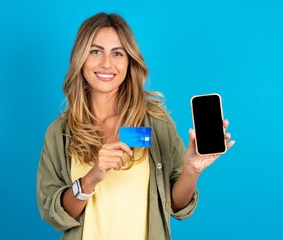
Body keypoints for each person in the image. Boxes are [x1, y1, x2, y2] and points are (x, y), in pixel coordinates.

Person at [36, 12, 235, 240]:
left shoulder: (155, 123)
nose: (106, 63)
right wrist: (92, 176)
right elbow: (53, 214)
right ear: (81, 58)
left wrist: (192, 170)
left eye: (117, 53)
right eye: (95, 51)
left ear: (129, 61)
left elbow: (177, 205)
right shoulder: (60, 132)